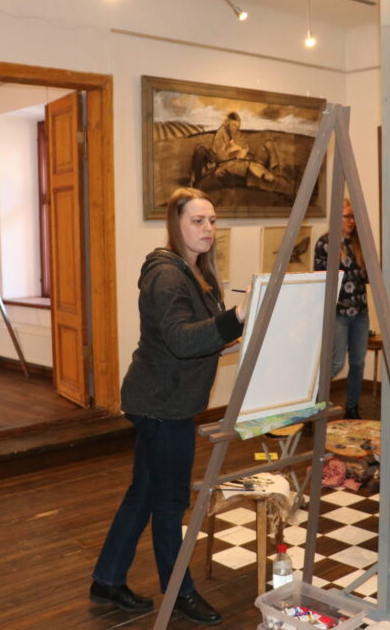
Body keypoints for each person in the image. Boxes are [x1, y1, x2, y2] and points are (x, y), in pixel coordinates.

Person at [90, 187, 248, 626]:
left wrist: (235, 336)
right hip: (162, 406)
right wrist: (236, 316)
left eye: (212, 220)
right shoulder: (167, 276)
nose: (208, 228)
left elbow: (196, 336)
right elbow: (180, 340)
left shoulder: (195, 271)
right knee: (170, 501)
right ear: (176, 225)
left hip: (164, 400)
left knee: (144, 493)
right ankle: (179, 592)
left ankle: (107, 579)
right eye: (198, 221)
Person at [313, 199, 369, 420]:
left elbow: (367, 277)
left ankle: (352, 408)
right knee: (336, 363)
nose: (351, 221)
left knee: (358, 363)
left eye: (353, 216)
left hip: (360, 313)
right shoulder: (325, 243)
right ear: (336, 217)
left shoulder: (360, 243)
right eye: (347, 216)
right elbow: (319, 278)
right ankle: (312, 405)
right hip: (339, 313)